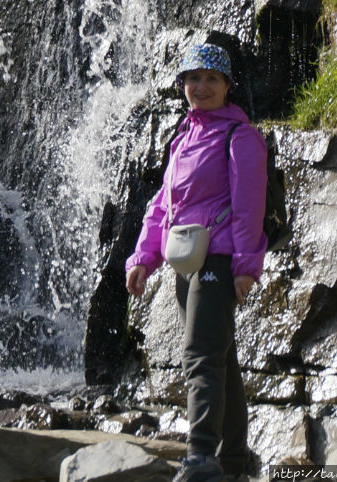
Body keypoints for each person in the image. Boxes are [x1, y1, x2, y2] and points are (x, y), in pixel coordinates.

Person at [125, 43, 268, 482]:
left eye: (211, 78)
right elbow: (162, 206)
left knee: (201, 354)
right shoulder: (184, 136)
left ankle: (200, 454)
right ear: (182, 85)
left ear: (227, 86)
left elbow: (249, 204)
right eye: (192, 78)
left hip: (221, 258)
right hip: (187, 260)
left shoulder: (239, 137)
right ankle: (232, 462)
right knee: (222, 360)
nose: (200, 86)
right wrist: (143, 257)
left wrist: (246, 265)